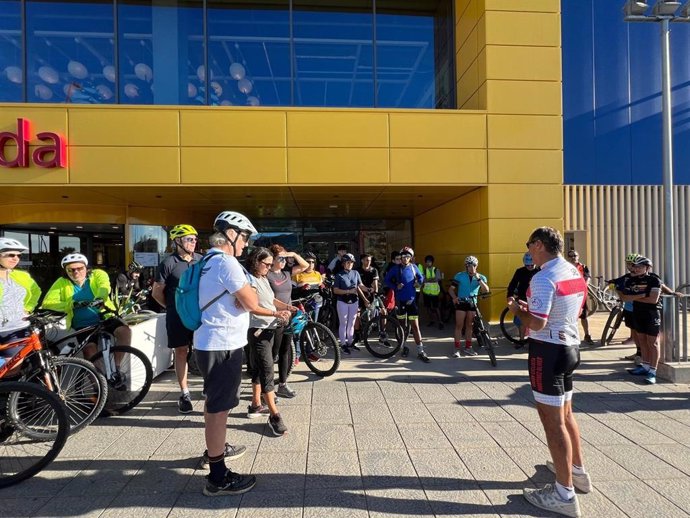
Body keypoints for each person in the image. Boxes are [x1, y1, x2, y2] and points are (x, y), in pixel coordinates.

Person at [508, 227, 590, 518]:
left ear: (540, 245)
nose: (528, 250)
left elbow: (538, 323)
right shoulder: (571, 270)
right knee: (566, 414)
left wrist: (518, 310)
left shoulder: (543, 278)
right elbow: (572, 308)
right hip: (570, 347)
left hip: (548, 350)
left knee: (552, 421)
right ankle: (576, 471)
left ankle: (564, 493)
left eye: (529, 245)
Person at [193, 210, 260, 496]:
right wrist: (246, 298)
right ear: (231, 234)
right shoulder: (227, 263)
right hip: (223, 345)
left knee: (213, 405)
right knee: (219, 410)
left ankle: (215, 453)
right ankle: (218, 477)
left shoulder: (205, 260)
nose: (246, 243)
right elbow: (251, 302)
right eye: (244, 236)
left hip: (207, 341)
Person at [43, 253, 132, 382]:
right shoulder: (61, 282)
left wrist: (100, 298)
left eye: (79, 268)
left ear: (86, 268)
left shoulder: (97, 274)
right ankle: (100, 384)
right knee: (90, 352)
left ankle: (117, 368)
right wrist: (71, 304)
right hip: (82, 324)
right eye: (71, 270)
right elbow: (48, 302)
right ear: (66, 271)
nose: (76, 272)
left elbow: (104, 286)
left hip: (104, 315)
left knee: (125, 331)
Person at [152, 224, 202, 414]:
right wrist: (173, 308)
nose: (194, 242)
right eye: (189, 239)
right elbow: (157, 292)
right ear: (178, 241)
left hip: (198, 314)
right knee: (181, 351)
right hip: (177, 316)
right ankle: (184, 392)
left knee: (203, 350)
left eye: (195, 239)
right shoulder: (168, 263)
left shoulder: (200, 260)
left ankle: (207, 387)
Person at [245, 247, 294, 433]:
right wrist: (276, 313)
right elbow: (252, 306)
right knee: (267, 369)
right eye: (266, 264)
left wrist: (288, 307)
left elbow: (272, 300)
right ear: (256, 262)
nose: (269, 267)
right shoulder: (250, 281)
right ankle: (275, 416)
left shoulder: (263, 278)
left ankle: (255, 405)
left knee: (259, 367)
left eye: (270, 264)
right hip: (258, 329)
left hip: (270, 328)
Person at [267, 244, 308, 398]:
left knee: (285, 351)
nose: (284, 261)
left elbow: (304, 265)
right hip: (274, 318)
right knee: (272, 354)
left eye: (285, 258)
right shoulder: (268, 275)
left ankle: (282, 384)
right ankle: (268, 388)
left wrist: (292, 252)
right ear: (272, 259)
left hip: (288, 318)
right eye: (281, 258)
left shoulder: (286, 273)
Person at [620, 256, 663, 384]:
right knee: (642, 341)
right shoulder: (631, 280)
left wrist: (634, 297)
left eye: (640, 266)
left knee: (653, 343)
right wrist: (643, 295)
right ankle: (645, 366)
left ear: (647, 268)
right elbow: (624, 297)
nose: (636, 269)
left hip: (651, 314)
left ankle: (653, 371)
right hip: (637, 313)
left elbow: (653, 299)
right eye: (635, 266)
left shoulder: (654, 280)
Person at [383, 246, 429, 363]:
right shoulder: (395, 268)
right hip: (400, 301)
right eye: (403, 256)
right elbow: (386, 280)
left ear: (411, 258)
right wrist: (395, 286)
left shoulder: (414, 268)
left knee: (415, 327)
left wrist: (418, 283)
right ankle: (403, 347)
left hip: (412, 301)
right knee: (402, 326)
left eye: (408, 256)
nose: (405, 259)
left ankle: (420, 350)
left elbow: (421, 278)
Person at [0, 238, 40, 357]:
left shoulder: (22, 276)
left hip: (17, 328)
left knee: (13, 368)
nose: (16, 258)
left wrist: (28, 307)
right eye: (11, 255)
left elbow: (36, 291)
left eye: (18, 255)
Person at [449, 256, 489, 358]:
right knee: (459, 325)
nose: (471, 268)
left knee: (469, 326)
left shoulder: (482, 277)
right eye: (469, 266)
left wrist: (478, 278)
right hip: (461, 302)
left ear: (476, 266)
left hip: (472, 303)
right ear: (466, 266)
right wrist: (454, 297)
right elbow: (451, 289)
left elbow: (486, 290)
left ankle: (468, 347)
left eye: (473, 266)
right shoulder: (460, 276)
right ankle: (456, 348)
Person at [333, 253, 368, 354]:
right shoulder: (339, 275)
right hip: (342, 301)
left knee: (351, 323)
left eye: (352, 262)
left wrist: (369, 289)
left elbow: (360, 285)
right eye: (348, 262)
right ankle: (343, 344)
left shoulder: (356, 273)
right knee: (343, 323)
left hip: (354, 301)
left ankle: (350, 342)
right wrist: (348, 291)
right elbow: (335, 290)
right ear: (344, 263)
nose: (350, 264)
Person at [506, 252, 539, 345]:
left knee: (536, 320)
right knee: (522, 320)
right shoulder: (520, 271)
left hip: (536, 298)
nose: (530, 267)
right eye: (527, 265)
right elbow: (512, 284)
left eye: (532, 265)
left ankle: (536, 340)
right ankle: (521, 340)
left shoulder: (539, 271)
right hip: (522, 298)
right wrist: (510, 296)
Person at [567, 250, 594, 345]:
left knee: (584, 316)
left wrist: (583, 286)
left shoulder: (583, 267)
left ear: (578, 256)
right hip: (569, 295)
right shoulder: (565, 267)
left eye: (575, 255)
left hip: (581, 295)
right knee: (569, 317)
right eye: (570, 256)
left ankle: (587, 335)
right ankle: (570, 336)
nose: (573, 257)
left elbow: (588, 278)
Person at [418, 255, 443, 330]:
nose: (428, 263)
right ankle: (432, 320)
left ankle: (440, 322)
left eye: (430, 262)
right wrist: (431, 279)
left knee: (436, 307)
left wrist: (428, 280)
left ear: (432, 262)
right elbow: (423, 280)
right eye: (427, 262)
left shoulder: (436, 270)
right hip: (426, 292)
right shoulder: (424, 270)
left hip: (435, 293)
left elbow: (437, 279)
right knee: (428, 308)